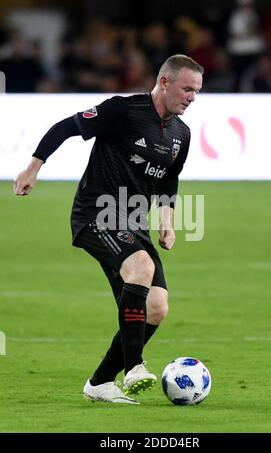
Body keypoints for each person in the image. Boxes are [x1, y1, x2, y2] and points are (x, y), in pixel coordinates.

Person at [14, 54, 204, 405]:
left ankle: (100, 383)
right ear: (164, 82)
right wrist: (32, 168)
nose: (192, 97)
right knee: (141, 268)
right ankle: (134, 368)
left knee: (157, 307)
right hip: (96, 214)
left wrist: (167, 223)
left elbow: (169, 181)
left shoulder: (182, 134)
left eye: (197, 91)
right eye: (187, 88)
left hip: (134, 223)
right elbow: (65, 127)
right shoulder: (123, 110)